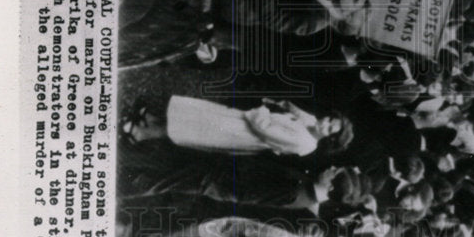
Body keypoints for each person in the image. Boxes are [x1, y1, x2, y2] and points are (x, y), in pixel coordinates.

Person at [131, 95, 352, 158]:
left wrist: (263, 109)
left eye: (331, 128)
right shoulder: (312, 121)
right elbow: (295, 113)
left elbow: (265, 130)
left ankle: (142, 133)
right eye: (330, 119)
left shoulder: (305, 144)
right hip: (244, 118)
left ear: (330, 139)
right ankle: (151, 119)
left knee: (197, 129)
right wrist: (281, 105)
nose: (326, 123)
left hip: (245, 133)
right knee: (198, 114)